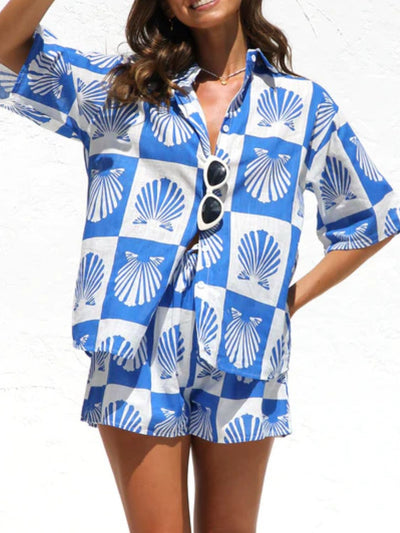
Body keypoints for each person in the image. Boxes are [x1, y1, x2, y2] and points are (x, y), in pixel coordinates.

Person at [1, 0, 399, 531]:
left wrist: (286, 302)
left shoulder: (302, 105)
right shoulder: (121, 91)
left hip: (245, 347)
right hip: (137, 346)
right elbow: (5, 49)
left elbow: (370, 218)